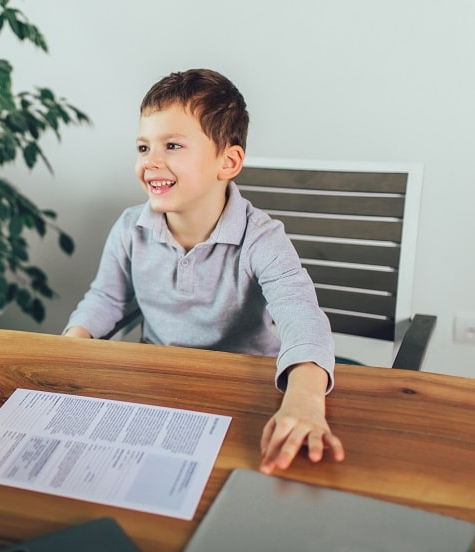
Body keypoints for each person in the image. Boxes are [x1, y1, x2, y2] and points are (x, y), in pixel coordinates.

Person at [63, 69, 345, 475]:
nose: (151, 162)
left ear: (227, 161)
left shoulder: (262, 238)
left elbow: (303, 317)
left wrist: (303, 398)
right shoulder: (129, 228)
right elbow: (105, 299)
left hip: (241, 395)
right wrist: (74, 342)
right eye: (143, 147)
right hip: (156, 388)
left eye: (172, 145)